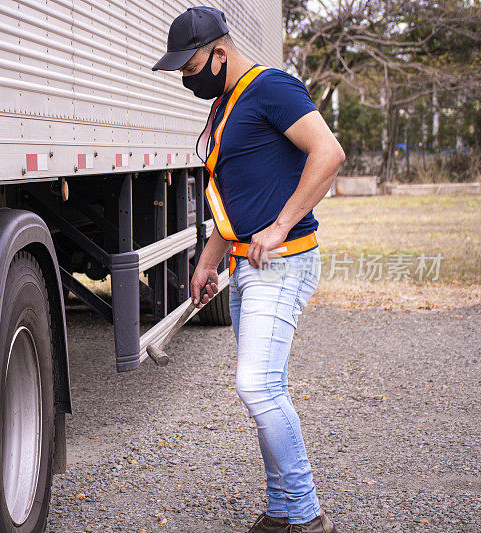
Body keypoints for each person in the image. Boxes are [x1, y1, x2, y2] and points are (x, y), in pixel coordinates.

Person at [152, 7, 345, 533]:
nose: (187, 79)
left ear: (220, 53)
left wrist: (282, 225)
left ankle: (307, 514)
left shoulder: (272, 89)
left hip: (283, 263)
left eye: (191, 68)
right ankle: (282, 510)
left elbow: (328, 153)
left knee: (257, 387)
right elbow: (240, 199)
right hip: (247, 267)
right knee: (269, 387)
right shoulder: (225, 106)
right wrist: (208, 260)